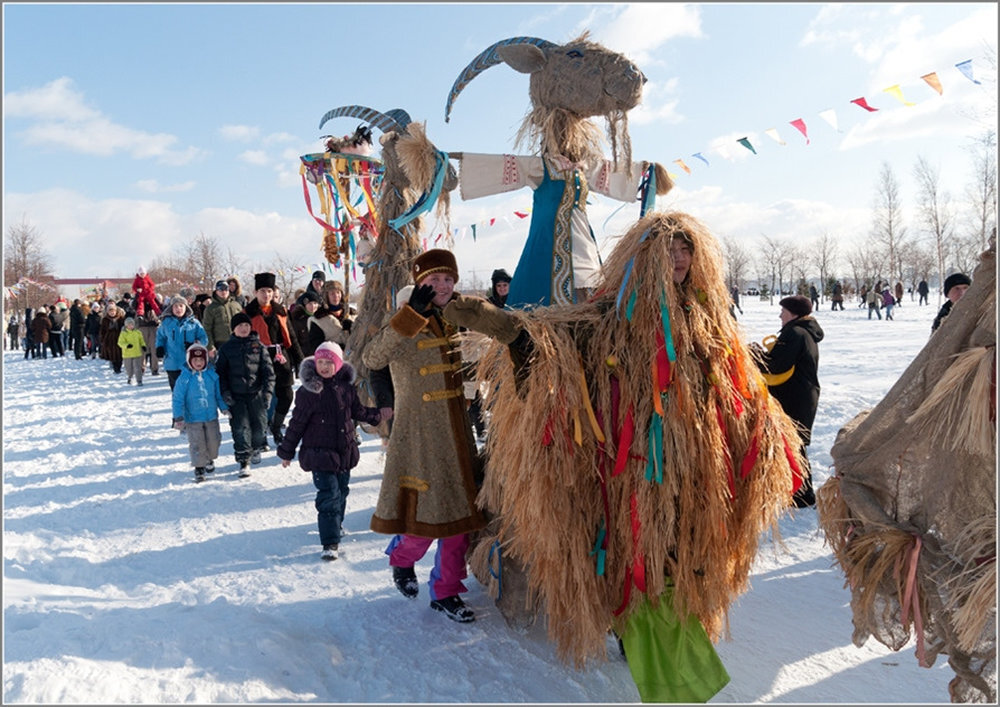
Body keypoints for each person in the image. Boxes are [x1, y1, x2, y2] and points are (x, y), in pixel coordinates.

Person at [443, 211, 804, 700]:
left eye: (686, 249)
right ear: (643, 258)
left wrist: (765, 436)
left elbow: (739, 388)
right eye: (669, 249)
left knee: (684, 563)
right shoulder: (611, 317)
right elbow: (549, 338)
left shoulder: (706, 318)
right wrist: (490, 320)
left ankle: (663, 657)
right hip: (633, 477)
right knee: (643, 569)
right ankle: (676, 684)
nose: (679, 258)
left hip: (696, 474)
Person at [361, 248, 486, 624]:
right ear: (420, 284)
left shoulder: (457, 318)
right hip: (419, 434)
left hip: (457, 430)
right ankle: (402, 558)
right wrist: (410, 316)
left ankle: (446, 591)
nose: (443, 286)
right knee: (424, 518)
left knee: (461, 518)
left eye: (449, 279)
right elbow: (372, 359)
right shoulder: (401, 318)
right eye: (435, 279)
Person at [277, 341, 387, 560]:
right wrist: (287, 451)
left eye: (329, 362)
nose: (324, 367)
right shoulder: (308, 392)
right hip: (319, 454)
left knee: (342, 491)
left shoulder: (346, 388)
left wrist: (378, 416)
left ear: (338, 364)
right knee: (328, 496)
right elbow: (297, 423)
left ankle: (337, 524)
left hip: (344, 450)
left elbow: (358, 411)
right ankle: (330, 542)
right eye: (320, 362)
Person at [753, 295, 824, 508]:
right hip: (802, 396)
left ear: (793, 314)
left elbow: (776, 365)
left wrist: (753, 354)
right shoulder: (805, 333)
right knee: (793, 443)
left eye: (783, 311)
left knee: (792, 444)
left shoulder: (795, 333)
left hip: (793, 397)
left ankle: (802, 495)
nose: (780, 315)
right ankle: (797, 492)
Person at [245, 272, 303, 445]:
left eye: (269, 291)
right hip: (258, 359)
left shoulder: (281, 311)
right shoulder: (248, 312)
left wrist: (300, 360)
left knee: (286, 395)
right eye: (263, 291)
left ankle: (276, 426)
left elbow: (291, 337)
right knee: (262, 398)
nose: (266, 294)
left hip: (280, 357)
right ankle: (260, 432)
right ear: (256, 292)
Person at [216, 312, 275, 477]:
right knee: (240, 428)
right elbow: (220, 374)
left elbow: (268, 373)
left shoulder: (258, 346)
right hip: (236, 396)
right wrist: (226, 394)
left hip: (256, 394)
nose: (244, 329)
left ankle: (256, 447)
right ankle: (244, 460)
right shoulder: (226, 348)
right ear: (234, 329)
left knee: (259, 427)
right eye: (240, 326)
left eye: (246, 326)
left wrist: (267, 393)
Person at [171, 343, 229, 483]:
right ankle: (199, 467)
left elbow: (218, 395)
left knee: (214, 441)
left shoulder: (212, 375)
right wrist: (178, 416)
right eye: (195, 360)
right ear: (189, 361)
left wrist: (224, 407)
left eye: (201, 360)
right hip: (193, 419)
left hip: (211, 416)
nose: (198, 363)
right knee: (197, 443)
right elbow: (177, 399)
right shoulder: (184, 378)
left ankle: (209, 458)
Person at [155, 295, 208, 392]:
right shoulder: (166, 323)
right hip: (172, 363)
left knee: (190, 390)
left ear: (186, 307)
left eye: (181, 306)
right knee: (177, 391)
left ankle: (190, 407)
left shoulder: (194, 323)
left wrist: (195, 345)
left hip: (190, 363)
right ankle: (178, 407)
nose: (178, 309)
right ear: (171, 308)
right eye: (175, 306)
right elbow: (160, 337)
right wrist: (159, 347)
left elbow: (203, 338)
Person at [202, 280, 243, 360]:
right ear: (216, 291)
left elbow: (243, 324)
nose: (223, 291)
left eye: (225, 289)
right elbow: (207, 329)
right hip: (220, 345)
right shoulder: (211, 308)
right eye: (220, 289)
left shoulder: (236, 305)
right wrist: (210, 347)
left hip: (237, 343)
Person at [308, 280, 352, 352]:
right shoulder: (318, 319)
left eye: (338, 292)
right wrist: (336, 348)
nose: (336, 296)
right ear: (326, 296)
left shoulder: (351, 314)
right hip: (331, 359)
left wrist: (353, 327)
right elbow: (316, 346)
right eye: (332, 293)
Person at [117, 316, 147, 385]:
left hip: (137, 353)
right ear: (126, 325)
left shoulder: (138, 332)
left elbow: (141, 340)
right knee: (129, 369)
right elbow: (120, 342)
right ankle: (130, 377)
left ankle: (139, 380)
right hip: (127, 354)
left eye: (132, 324)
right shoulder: (123, 333)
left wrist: (143, 345)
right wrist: (126, 345)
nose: (131, 326)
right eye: (129, 325)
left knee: (137, 368)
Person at [99, 302, 126, 374]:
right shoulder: (105, 320)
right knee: (112, 354)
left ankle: (119, 366)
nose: (112, 313)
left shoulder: (120, 318)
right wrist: (102, 339)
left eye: (113, 311)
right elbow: (102, 330)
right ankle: (115, 368)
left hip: (119, 337)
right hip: (109, 339)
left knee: (120, 353)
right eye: (110, 311)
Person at [136, 309, 161, 375]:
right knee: (142, 348)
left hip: (153, 326)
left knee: (154, 348)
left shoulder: (153, 301)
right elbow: (134, 305)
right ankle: (141, 368)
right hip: (142, 326)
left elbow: (159, 308)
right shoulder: (139, 301)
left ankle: (155, 368)